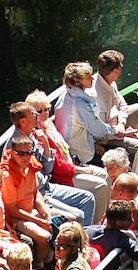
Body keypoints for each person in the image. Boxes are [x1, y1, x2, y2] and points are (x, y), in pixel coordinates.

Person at [26, 89, 110, 221]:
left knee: (105, 175)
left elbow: (63, 151)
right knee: (100, 185)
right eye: (39, 111)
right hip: (60, 176)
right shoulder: (36, 134)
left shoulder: (48, 125)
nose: (45, 113)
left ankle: (104, 219)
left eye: (46, 109)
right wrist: (80, 170)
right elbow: (56, 165)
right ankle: (96, 224)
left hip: (70, 166)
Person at [7, 100, 94, 225]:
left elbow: (47, 167)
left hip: (47, 185)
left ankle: (87, 235)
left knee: (88, 198)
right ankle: (79, 240)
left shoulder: (33, 136)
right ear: (23, 121)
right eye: (33, 113)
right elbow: (32, 181)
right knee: (78, 215)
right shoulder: (15, 146)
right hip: (38, 193)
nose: (36, 115)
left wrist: (46, 144)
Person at [59, 61, 127, 165]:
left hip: (74, 147)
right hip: (80, 155)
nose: (93, 78)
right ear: (78, 82)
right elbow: (97, 130)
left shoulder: (65, 97)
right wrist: (115, 130)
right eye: (88, 77)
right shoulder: (80, 105)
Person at [0, 138, 53, 267]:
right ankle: (39, 265)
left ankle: (53, 261)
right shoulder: (7, 176)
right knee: (44, 237)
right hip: (17, 218)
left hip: (32, 210)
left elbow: (36, 194)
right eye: (20, 153)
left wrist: (45, 212)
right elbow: (12, 210)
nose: (25, 157)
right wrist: (39, 221)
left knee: (71, 219)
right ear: (12, 153)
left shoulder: (30, 166)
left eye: (28, 153)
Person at [93, 49, 138, 135]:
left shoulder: (111, 82)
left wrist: (121, 123)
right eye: (120, 65)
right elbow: (100, 129)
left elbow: (123, 105)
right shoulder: (95, 94)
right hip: (106, 135)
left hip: (116, 121)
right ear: (115, 71)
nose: (122, 66)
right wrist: (122, 132)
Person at [84, 200, 138, 268]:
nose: (132, 220)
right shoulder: (121, 239)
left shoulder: (88, 230)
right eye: (129, 218)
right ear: (119, 222)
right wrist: (134, 237)